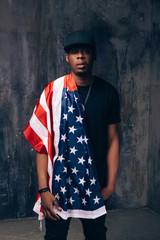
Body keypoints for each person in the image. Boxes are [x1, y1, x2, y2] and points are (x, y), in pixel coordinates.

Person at [24, 30, 120, 240]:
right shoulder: (53, 92)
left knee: (96, 235)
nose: (80, 56)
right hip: (59, 182)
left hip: (95, 180)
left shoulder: (108, 92)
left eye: (85, 51)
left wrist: (110, 186)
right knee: (55, 236)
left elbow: (113, 140)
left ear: (93, 55)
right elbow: (42, 144)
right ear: (67, 57)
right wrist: (43, 190)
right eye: (75, 52)